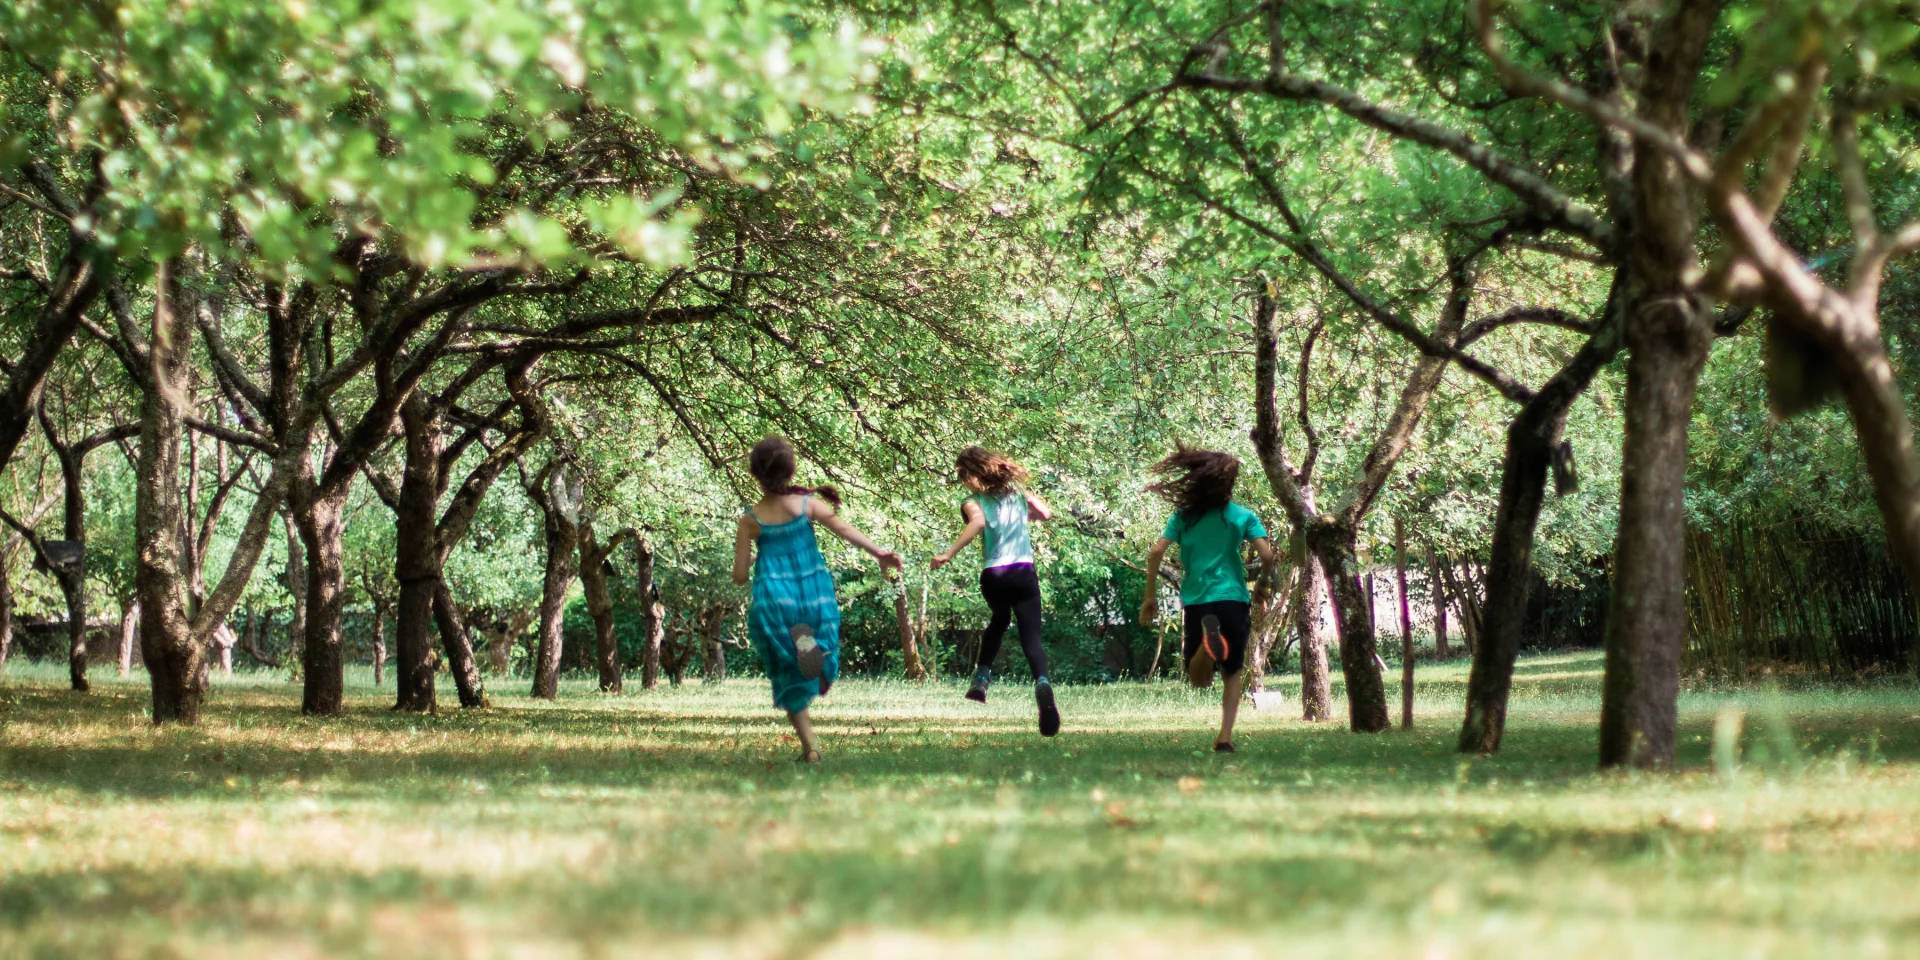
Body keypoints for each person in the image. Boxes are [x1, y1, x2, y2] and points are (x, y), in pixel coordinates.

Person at [733, 436, 901, 762]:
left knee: (787, 672)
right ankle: (818, 656)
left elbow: (739, 576)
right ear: (791, 471)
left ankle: (810, 747)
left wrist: (755, 557)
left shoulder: (750, 519)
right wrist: (880, 553)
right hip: (812, 593)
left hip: (775, 599)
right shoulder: (806, 504)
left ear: (754, 474)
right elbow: (846, 530)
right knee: (815, 649)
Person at [1138, 445, 1276, 753]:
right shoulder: (1243, 516)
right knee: (1233, 672)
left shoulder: (1183, 517)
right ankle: (1224, 737)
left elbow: (1156, 551)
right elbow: (1267, 556)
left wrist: (1150, 596)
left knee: (1198, 680)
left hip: (1198, 599)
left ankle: (1206, 646)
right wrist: (1263, 584)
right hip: (1233, 597)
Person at [931, 445, 1061, 737]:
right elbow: (1045, 513)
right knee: (1031, 638)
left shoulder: (972, 500)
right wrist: (1025, 506)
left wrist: (949, 553)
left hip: (994, 574)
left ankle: (981, 678)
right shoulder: (1015, 492)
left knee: (999, 621)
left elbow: (978, 522)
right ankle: (1042, 682)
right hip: (1023, 572)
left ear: (970, 474)